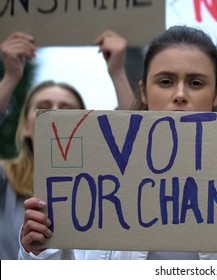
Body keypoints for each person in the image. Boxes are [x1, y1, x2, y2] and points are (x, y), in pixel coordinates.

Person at [19, 25, 217, 260]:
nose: (180, 94)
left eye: (196, 82)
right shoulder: (96, 181)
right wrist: (36, 251)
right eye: (165, 81)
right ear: (143, 91)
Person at [0, 31, 134, 260]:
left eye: (67, 108)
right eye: (43, 106)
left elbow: (136, 138)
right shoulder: (5, 179)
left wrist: (118, 72)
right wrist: (10, 77)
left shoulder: (101, 185)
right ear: (24, 126)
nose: (55, 113)